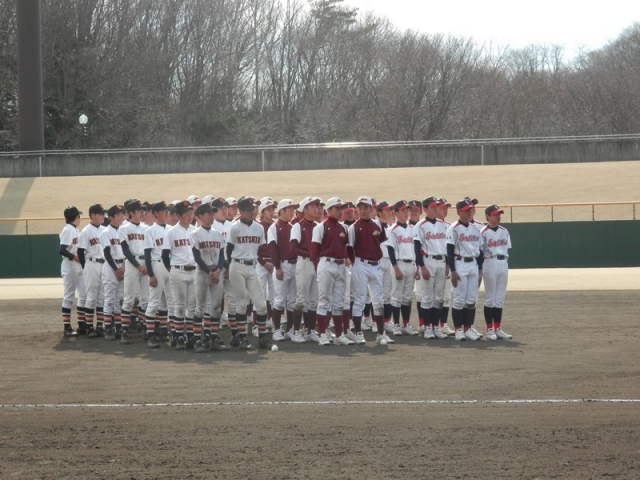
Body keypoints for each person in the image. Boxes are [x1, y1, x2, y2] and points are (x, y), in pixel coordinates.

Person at [348, 196, 395, 346]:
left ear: (371, 209)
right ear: (357, 210)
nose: (363, 211)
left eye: (366, 207)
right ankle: (358, 333)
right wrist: (354, 264)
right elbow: (350, 248)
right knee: (360, 299)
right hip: (360, 263)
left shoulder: (378, 225)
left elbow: (379, 242)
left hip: (376, 264)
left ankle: (381, 333)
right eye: (360, 208)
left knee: (378, 300)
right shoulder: (353, 228)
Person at [226, 196, 271, 350]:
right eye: (248, 210)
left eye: (253, 209)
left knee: (261, 305)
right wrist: (227, 268)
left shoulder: (259, 228)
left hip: (252, 267)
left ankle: (262, 337)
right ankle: (243, 338)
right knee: (241, 303)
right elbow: (228, 250)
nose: (252, 212)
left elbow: (262, 248)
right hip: (236, 265)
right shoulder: (234, 227)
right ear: (241, 211)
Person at [311, 197, 354, 346]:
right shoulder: (321, 227)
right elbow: (314, 251)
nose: (340, 211)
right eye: (337, 208)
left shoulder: (344, 228)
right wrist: (318, 267)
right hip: (326, 263)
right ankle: (322, 334)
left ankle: (339, 335)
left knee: (338, 302)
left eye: (341, 208)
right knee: (324, 300)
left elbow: (346, 248)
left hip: (340, 265)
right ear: (329, 210)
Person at [446, 198, 484, 341]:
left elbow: (480, 250)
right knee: (459, 300)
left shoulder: (475, 228)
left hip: (473, 264)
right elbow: (449, 251)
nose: (469, 212)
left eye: (470, 210)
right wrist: (453, 271)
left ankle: (468, 329)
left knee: (471, 300)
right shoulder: (454, 228)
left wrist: (480, 270)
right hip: (460, 263)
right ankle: (458, 330)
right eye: (466, 210)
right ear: (458, 212)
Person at [191, 202, 227, 352]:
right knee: (200, 307)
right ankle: (197, 341)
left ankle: (213, 339)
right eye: (209, 214)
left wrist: (218, 271)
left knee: (216, 307)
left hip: (216, 273)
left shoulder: (217, 233)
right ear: (200, 216)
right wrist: (209, 272)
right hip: (202, 272)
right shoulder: (195, 234)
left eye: (213, 213)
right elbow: (197, 257)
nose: (212, 216)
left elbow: (222, 255)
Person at [162, 200, 197, 350]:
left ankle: (190, 336)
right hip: (178, 271)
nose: (190, 215)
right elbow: (164, 254)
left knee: (192, 306)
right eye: (186, 213)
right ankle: (178, 336)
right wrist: (171, 269)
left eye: (191, 212)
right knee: (180, 306)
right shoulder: (171, 232)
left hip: (194, 271)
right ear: (178, 215)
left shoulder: (195, 231)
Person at [414, 196, 449, 340]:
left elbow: (447, 246)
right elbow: (417, 248)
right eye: (433, 206)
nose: (436, 208)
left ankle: (436, 327)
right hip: (428, 261)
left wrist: (447, 264)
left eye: (437, 206)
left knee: (439, 297)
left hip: (441, 261)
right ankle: (428, 328)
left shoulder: (443, 225)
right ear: (425, 209)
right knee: (427, 297)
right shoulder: (420, 225)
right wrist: (422, 267)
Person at [290, 197, 322, 343]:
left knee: (314, 300)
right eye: (312, 207)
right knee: (301, 299)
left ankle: (311, 331)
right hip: (304, 263)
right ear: (305, 210)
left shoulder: (318, 226)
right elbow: (293, 248)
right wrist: (311, 254)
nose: (316, 209)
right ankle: (296, 331)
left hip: (316, 263)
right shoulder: (297, 226)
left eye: (316, 206)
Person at [143, 201, 173, 348]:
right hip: (157, 265)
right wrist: (151, 274)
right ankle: (150, 335)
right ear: (155, 213)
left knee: (170, 301)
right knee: (154, 301)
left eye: (167, 211)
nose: (166, 213)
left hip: (170, 266)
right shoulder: (150, 231)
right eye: (163, 211)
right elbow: (147, 254)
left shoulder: (171, 229)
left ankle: (166, 331)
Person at [267, 199, 298, 341]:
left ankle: (290, 329)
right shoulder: (274, 227)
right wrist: (277, 267)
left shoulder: (293, 227)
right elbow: (272, 248)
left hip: (294, 265)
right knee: (279, 299)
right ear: (282, 211)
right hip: (282, 265)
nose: (292, 212)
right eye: (290, 209)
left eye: (293, 209)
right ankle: (277, 330)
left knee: (292, 300)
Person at [387, 200, 419, 336]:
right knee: (396, 296)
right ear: (396, 213)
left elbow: (416, 249)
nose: (406, 213)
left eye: (407, 210)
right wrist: (395, 268)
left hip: (411, 264)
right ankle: (396, 325)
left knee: (407, 296)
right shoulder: (392, 230)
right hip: (399, 264)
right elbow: (390, 250)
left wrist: (417, 266)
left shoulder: (413, 229)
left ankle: (406, 324)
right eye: (403, 210)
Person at [481, 204, 513, 340]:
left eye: (499, 214)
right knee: (490, 299)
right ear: (488, 216)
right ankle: (490, 330)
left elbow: (507, 248)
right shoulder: (483, 232)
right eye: (495, 214)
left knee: (499, 298)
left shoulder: (504, 231)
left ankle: (497, 328)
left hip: (503, 262)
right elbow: (480, 252)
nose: (498, 216)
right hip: (490, 262)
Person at [119, 200, 149, 341]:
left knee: (145, 298)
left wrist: (147, 265)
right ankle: (124, 331)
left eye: (142, 210)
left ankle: (145, 328)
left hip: (145, 263)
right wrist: (138, 266)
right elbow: (125, 251)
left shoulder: (146, 228)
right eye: (139, 210)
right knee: (129, 298)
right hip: (132, 263)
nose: (142, 212)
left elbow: (149, 248)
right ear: (131, 213)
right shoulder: (124, 228)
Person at [77, 204, 107, 338]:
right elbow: (80, 251)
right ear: (92, 215)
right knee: (91, 296)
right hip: (91, 263)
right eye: (100, 214)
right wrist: (86, 267)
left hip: (104, 264)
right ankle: (89, 327)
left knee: (102, 297)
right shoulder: (86, 231)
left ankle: (99, 326)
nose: (102, 216)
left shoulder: (105, 230)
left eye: (103, 213)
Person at [59, 206, 87, 337]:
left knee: (83, 295)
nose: (80, 218)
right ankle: (67, 327)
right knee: (69, 296)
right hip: (70, 265)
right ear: (76, 217)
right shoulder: (68, 230)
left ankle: (81, 324)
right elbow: (62, 250)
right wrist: (75, 257)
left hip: (78, 266)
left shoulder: (75, 230)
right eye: (79, 216)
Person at [101, 205, 127, 342]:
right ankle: (108, 328)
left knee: (119, 299)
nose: (121, 217)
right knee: (109, 298)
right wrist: (116, 269)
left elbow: (128, 251)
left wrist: (124, 267)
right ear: (110, 217)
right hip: (111, 267)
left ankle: (118, 327)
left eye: (122, 214)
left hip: (123, 265)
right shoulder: (106, 232)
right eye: (118, 215)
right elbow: (107, 253)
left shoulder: (124, 231)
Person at [256, 198, 276, 332]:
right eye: (268, 209)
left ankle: (272, 322)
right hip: (261, 263)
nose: (271, 212)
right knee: (260, 295)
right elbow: (254, 249)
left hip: (274, 263)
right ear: (262, 211)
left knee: (274, 295)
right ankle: (257, 326)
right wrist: (263, 263)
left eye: (272, 209)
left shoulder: (275, 225)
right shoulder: (259, 227)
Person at [436, 198, 455, 336]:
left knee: (446, 296)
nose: (445, 210)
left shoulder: (450, 226)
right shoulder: (428, 225)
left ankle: (443, 324)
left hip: (446, 262)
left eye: (446, 208)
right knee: (433, 296)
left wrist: (449, 263)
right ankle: (432, 325)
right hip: (433, 262)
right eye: (443, 207)